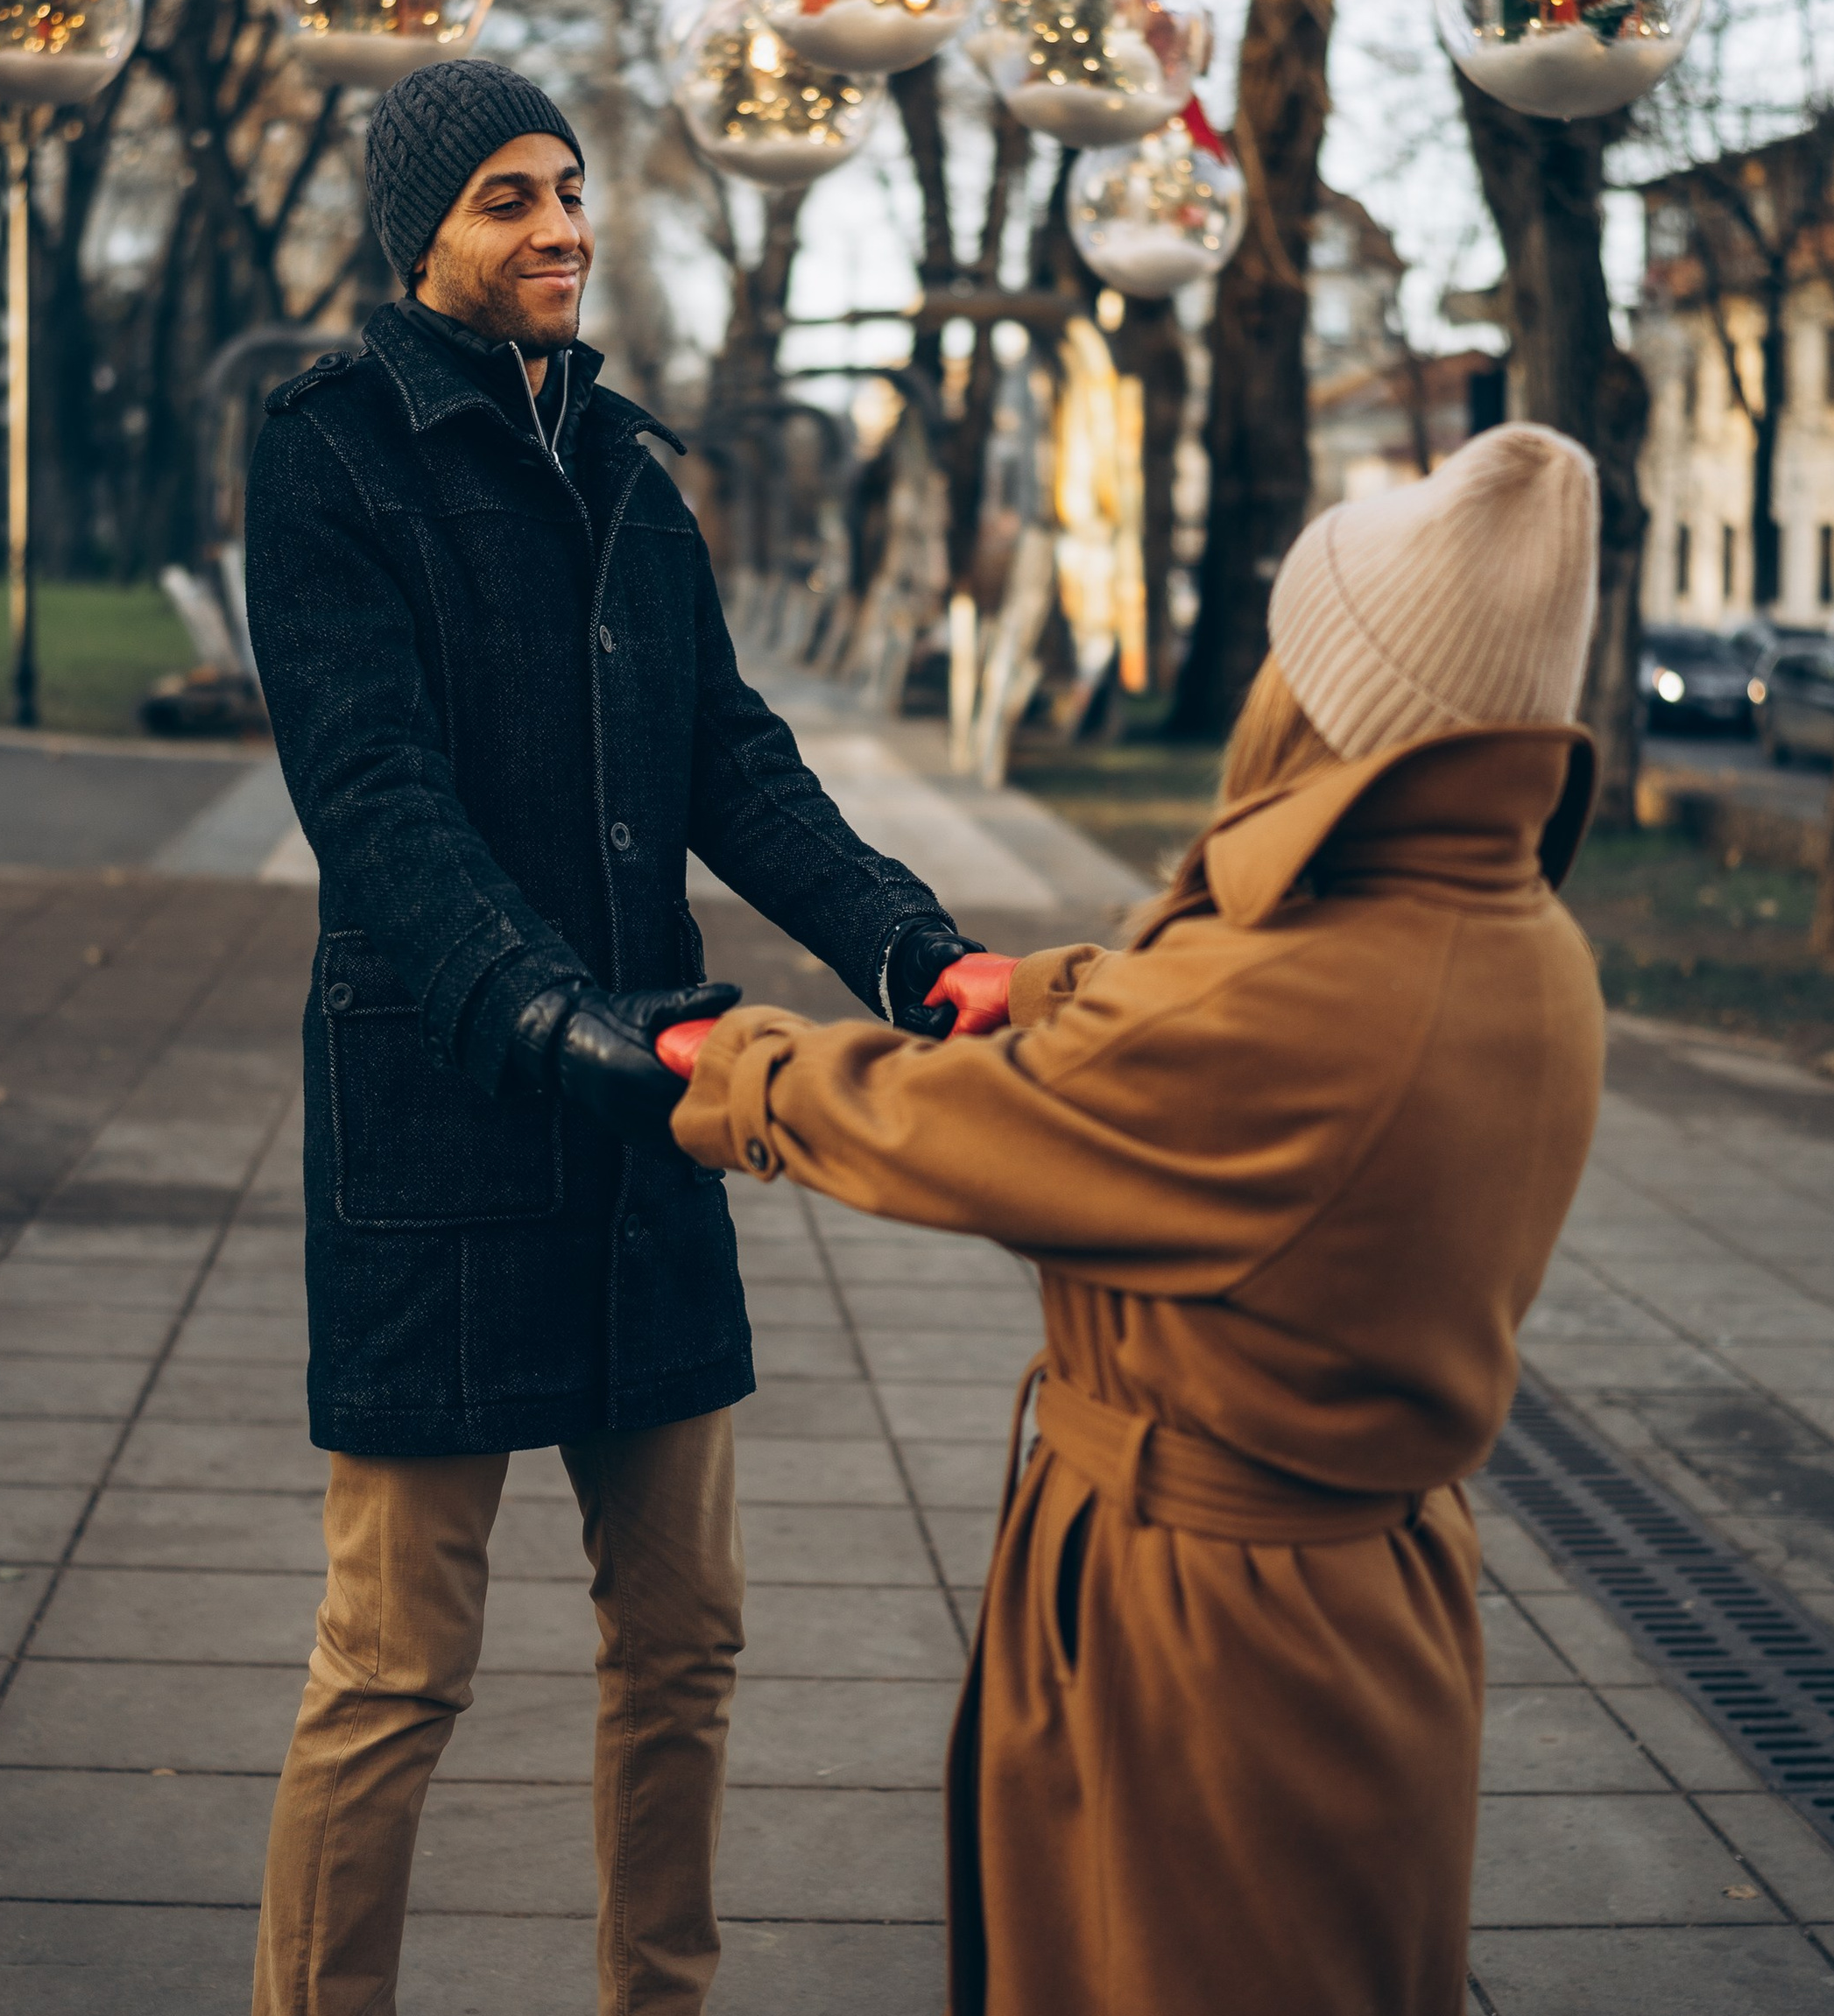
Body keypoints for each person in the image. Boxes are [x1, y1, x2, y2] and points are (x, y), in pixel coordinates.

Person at [659, 424, 1608, 2016]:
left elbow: (976, 1123)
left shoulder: (1311, 1002)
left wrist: (738, 1066)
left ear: (1342, 700)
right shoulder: (1512, 937)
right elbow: (1208, 1027)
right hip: (1356, 1602)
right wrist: (1031, 987)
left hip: (1213, 1634)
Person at [242, 57, 980, 2016]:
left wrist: (917, 957)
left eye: (567, 188)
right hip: (446, 1111)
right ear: (420, 235)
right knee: (396, 1659)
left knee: (686, 1636)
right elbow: (376, 800)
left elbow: (732, 759)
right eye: (505, 195)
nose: (560, 222)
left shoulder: (634, 469)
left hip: (649, 1121)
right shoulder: (329, 451)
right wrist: (557, 1021)